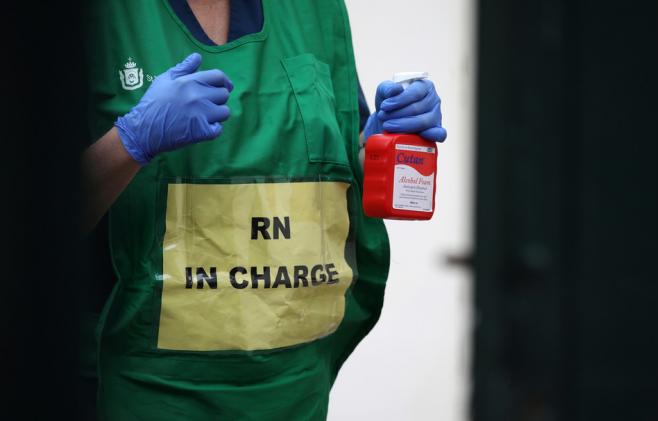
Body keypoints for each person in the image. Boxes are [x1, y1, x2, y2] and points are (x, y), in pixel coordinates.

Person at [79, 0, 446, 419]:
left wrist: (382, 145)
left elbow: (331, 171)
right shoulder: (94, 20)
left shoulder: (314, 11)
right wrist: (130, 141)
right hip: (144, 392)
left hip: (293, 392)